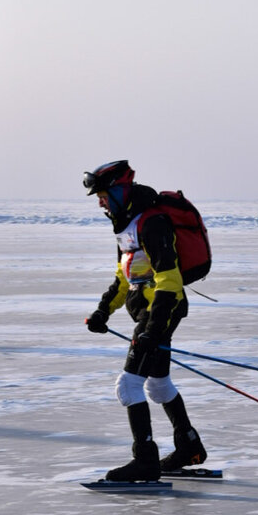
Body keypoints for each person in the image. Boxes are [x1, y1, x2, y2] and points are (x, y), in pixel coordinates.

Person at [83, 159, 208, 481]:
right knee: (158, 384)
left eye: (102, 195)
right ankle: (188, 447)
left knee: (128, 385)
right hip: (149, 312)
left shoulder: (152, 223)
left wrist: (153, 327)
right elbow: (124, 279)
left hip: (161, 311)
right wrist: (102, 311)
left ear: (119, 191)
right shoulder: (127, 225)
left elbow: (169, 280)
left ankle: (145, 460)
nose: (99, 203)